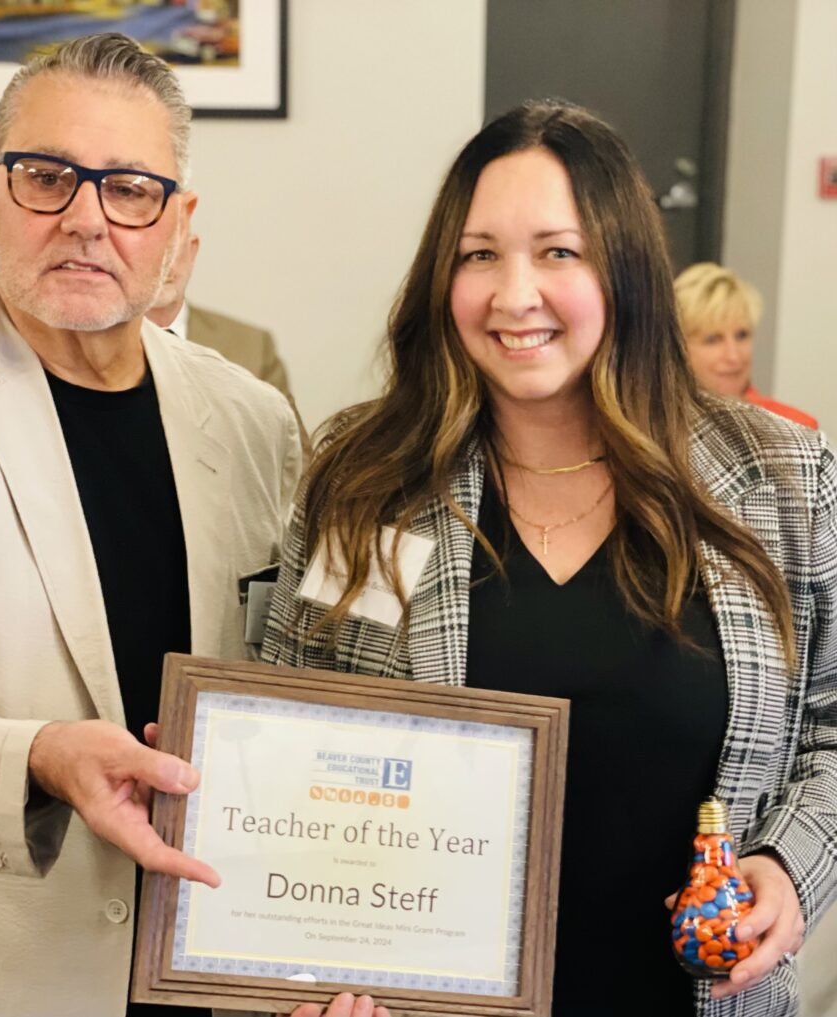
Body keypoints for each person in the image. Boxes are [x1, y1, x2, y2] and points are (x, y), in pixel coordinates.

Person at [263, 100, 836, 1017]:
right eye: (478, 253)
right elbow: (294, 741)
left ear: (626, 269)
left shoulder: (780, 477)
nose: (512, 293)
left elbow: (832, 724)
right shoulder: (367, 483)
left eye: (557, 252)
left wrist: (787, 867)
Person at [0, 33, 301, 1017]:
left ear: (177, 222)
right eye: (47, 177)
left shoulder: (254, 424)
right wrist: (33, 757)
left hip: (207, 970)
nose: (86, 219)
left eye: (129, 188)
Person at [147, 224, 312, 457]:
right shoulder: (96, 345)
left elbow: (294, 456)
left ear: (192, 251)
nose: (166, 264)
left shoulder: (252, 346)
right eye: (152, 249)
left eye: (174, 248)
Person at [674, 262, 818, 428]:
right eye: (713, 339)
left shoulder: (794, 428)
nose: (733, 356)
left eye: (741, 336)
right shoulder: (654, 430)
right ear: (678, 348)